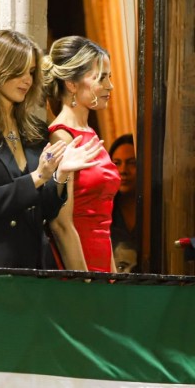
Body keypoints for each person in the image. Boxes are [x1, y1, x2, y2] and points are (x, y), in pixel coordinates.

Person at [0, 30, 102, 269]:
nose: (27, 80)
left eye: (31, 72)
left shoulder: (35, 131)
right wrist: (38, 177)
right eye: (19, 71)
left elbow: (47, 210)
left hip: (33, 266)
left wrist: (60, 176)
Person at [44, 36, 120, 272]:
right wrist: (84, 282)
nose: (110, 86)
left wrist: (113, 276)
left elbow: (102, 221)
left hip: (102, 259)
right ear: (72, 84)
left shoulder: (90, 133)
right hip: (77, 265)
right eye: (101, 78)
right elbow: (61, 223)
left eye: (110, 77)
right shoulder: (62, 137)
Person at [109, 133, 137, 240]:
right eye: (116, 163)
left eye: (132, 163)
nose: (123, 171)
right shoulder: (104, 209)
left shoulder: (155, 208)